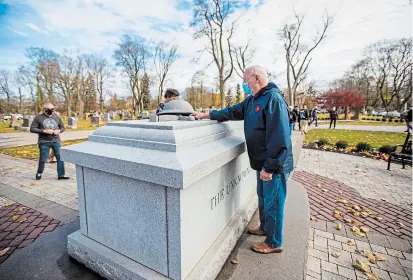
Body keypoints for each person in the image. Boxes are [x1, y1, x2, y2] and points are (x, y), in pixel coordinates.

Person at [192, 65, 293, 254]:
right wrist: (207, 115)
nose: (244, 83)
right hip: (262, 162)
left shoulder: (274, 99)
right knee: (263, 199)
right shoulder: (253, 100)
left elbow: (280, 139)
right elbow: (231, 112)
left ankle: (274, 242)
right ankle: (265, 227)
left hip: (274, 165)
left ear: (256, 78)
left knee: (274, 203)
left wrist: (270, 168)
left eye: (246, 79)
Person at [30, 102, 70, 180]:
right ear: (44, 109)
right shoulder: (38, 118)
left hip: (56, 140)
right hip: (44, 141)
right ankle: (39, 173)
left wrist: (59, 131)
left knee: (60, 157)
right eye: (49, 109)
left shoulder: (57, 117)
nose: (51, 111)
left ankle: (61, 175)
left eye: (52, 109)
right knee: (43, 159)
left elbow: (62, 128)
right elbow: (32, 129)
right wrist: (44, 131)